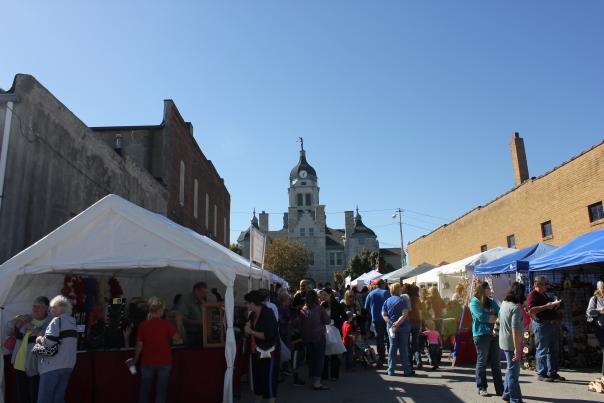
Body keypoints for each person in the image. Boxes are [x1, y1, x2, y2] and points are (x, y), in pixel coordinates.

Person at [6, 296, 51, 403]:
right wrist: (17, 318)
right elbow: (7, 331)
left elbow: (47, 339)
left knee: (34, 398)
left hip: (35, 368)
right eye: (34, 306)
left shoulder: (49, 323)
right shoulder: (27, 318)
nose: (35, 309)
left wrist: (31, 327)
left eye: (38, 307)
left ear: (46, 309)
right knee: (23, 398)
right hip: (19, 365)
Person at [134, 297, 180, 403]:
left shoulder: (143, 325)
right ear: (160, 310)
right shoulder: (167, 324)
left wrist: (135, 360)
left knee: (144, 390)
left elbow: (139, 345)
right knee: (161, 391)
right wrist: (178, 323)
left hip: (147, 362)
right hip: (164, 362)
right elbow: (178, 339)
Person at [35, 295, 77, 403]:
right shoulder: (73, 323)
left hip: (52, 366)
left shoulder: (56, 321)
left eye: (53, 307)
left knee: (44, 399)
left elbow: (49, 342)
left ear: (61, 308)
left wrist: (40, 339)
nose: (51, 309)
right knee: (58, 399)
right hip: (68, 365)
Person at [526, 276, 564, 382]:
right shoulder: (532, 295)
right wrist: (546, 306)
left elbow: (545, 308)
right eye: (544, 284)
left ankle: (552, 372)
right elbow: (531, 310)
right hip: (542, 325)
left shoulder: (543, 294)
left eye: (546, 283)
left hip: (550, 325)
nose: (547, 285)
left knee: (553, 350)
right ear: (537, 285)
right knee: (542, 350)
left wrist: (554, 305)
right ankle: (541, 373)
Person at [244, 290, 280, 403]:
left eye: (247, 303)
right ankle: (258, 400)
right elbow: (247, 332)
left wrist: (251, 331)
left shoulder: (268, 314)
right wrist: (247, 329)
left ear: (253, 303)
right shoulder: (253, 314)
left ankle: (271, 400)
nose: (246, 305)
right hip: (256, 352)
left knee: (269, 379)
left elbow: (267, 336)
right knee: (258, 379)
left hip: (269, 352)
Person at [469, 281, 503, 397]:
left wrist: (493, 318)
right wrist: (491, 318)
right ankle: (482, 387)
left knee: (496, 363)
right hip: (481, 335)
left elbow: (500, 314)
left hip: (494, 334)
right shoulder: (474, 302)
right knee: (482, 362)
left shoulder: (491, 301)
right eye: (488, 288)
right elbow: (481, 317)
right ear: (483, 290)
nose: (490, 290)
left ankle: (500, 389)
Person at [499, 282, 526, 403]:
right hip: (511, 343)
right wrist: (517, 348)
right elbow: (515, 329)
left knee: (510, 369)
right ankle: (515, 399)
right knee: (514, 373)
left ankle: (506, 393)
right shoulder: (515, 308)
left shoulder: (504, 304)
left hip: (504, 341)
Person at [299, 290, 331, 390]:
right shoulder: (319, 308)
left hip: (307, 337)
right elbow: (327, 321)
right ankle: (317, 382)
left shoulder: (303, 309)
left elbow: (300, 324)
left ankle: (313, 377)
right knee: (319, 359)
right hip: (318, 337)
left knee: (312, 358)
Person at [382, 283, 414, 377]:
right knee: (403, 349)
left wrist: (392, 323)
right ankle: (406, 371)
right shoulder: (402, 300)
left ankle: (391, 370)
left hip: (391, 328)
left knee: (392, 348)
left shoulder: (387, 301)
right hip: (403, 327)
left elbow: (384, 315)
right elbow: (405, 314)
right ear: (398, 290)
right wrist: (397, 323)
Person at [320, 288, 347, 381]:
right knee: (325, 353)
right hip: (323, 330)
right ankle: (324, 375)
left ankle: (334, 375)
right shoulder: (322, 304)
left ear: (330, 294)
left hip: (334, 330)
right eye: (322, 295)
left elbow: (345, 316)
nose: (322, 297)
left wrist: (336, 324)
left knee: (334, 353)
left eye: (324, 295)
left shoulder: (337, 304)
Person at [364, 280, 390, 367]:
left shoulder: (371, 294)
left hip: (376, 319)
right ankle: (390, 355)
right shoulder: (386, 292)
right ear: (382, 284)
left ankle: (381, 357)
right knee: (388, 337)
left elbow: (366, 307)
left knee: (379, 339)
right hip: (387, 318)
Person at [177, 281, 209, 347]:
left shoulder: (202, 300)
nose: (204, 295)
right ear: (196, 290)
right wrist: (199, 322)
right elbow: (182, 319)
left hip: (202, 333)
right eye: (202, 292)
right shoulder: (185, 300)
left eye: (206, 293)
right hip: (190, 334)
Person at [587, 280, 604, 375]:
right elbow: (589, 312)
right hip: (600, 327)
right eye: (602, 288)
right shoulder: (594, 299)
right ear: (598, 289)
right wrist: (599, 309)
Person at [408, 284, 424, 369]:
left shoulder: (408, 299)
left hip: (409, 322)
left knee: (409, 344)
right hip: (417, 322)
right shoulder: (418, 300)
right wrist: (421, 323)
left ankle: (410, 362)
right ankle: (418, 361)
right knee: (415, 343)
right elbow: (420, 312)